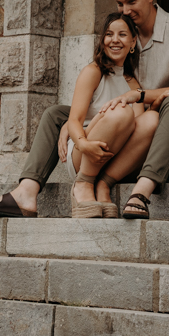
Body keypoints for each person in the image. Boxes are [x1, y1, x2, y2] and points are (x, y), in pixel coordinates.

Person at [0, 0, 169, 220]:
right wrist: (73, 121)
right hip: (136, 118)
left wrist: (137, 96)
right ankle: (26, 192)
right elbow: (103, 88)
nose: (125, 10)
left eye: (132, 1)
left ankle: (142, 190)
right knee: (57, 114)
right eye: (120, 4)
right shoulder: (125, 35)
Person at [62, 12, 158, 217]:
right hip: (84, 153)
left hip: (113, 158)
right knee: (122, 110)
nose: (115, 40)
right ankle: (84, 183)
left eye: (122, 35)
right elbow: (74, 120)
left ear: (133, 42)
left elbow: (138, 130)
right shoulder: (93, 72)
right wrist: (83, 144)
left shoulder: (132, 83)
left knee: (151, 119)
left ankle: (104, 184)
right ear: (102, 40)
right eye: (109, 34)